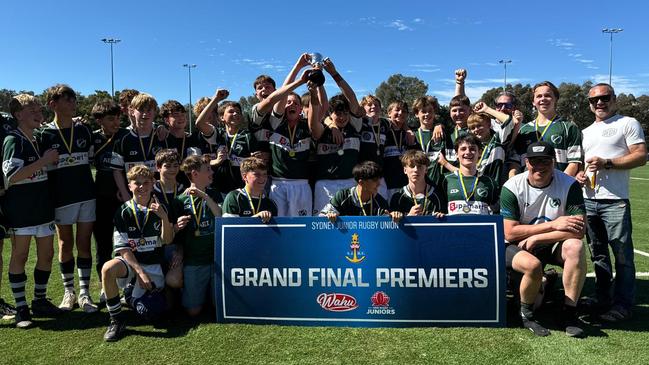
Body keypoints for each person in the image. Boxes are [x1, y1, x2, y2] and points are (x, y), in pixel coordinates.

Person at [575, 83, 647, 322]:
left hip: (615, 201)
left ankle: (623, 304)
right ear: (589, 104)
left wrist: (607, 162)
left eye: (604, 98)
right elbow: (583, 164)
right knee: (598, 254)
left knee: (622, 255)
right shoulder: (585, 131)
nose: (599, 103)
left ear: (614, 99)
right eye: (594, 100)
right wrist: (580, 176)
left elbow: (640, 156)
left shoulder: (627, 123)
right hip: (589, 199)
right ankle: (602, 296)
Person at [501, 141, 587, 338]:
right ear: (526, 162)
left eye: (545, 161)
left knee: (575, 247)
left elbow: (579, 230)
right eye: (534, 161)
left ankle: (569, 313)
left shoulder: (569, 184)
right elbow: (510, 233)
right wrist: (553, 224)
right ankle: (542, 288)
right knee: (533, 293)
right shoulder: (512, 186)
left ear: (554, 162)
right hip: (518, 244)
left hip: (549, 243)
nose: (539, 166)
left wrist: (539, 237)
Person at [37, 84, 98, 312]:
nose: (73, 103)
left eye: (74, 99)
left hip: (86, 195)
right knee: (65, 243)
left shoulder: (83, 130)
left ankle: (84, 293)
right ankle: (68, 292)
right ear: (53, 104)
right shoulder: (44, 134)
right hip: (61, 197)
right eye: (67, 100)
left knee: (84, 243)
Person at [4, 94, 62, 327]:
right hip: (22, 210)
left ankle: (39, 300)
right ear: (18, 115)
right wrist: (44, 161)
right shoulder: (12, 140)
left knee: (47, 255)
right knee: (20, 255)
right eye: (32, 110)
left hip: (43, 208)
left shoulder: (38, 138)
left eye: (39, 109)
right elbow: (12, 178)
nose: (39, 113)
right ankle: (21, 308)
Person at [101, 165, 174, 341]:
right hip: (132, 264)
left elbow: (167, 240)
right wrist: (140, 272)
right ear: (129, 186)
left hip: (154, 265)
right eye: (137, 183)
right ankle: (116, 320)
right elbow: (122, 248)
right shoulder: (123, 211)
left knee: (152, 311)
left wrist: (164, 218)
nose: (142, 187)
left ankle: (130, 297)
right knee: (108, 268)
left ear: (152, 183)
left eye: (146, 183)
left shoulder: (161, 207)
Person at [89, 99, 128, 298]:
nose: (116, 123)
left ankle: (128, 283)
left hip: (125, 198)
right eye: (111, 119)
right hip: (101, 199)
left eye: (118, 118)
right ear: (99, 120)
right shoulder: (91, 138)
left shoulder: (125, 135)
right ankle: (106, 285)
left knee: (127, 242)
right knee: (103, 245)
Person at [176, 155, 222, 316]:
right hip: (194, 260)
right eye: (208, 169)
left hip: (217, 260)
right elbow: (174, 234)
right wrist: (177, 226)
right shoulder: (181, 200)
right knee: (193, 312)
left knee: (220, 307)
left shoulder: (214, 194)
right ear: (195, 174)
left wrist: (204, 196)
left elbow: (220, 216)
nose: (212, 172)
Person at [510, 81, 582, 176]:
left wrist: (560, 185)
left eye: (547, 95)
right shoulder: (524, 129)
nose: (543, 99)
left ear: (555, 99)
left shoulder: (569, 127)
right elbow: (515, 163)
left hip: (558, 186)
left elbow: (574, 162)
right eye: (539, 96)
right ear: (533, 102)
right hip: (528, 187)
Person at [111, 93, 167, 202]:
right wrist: (124, 193)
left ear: (155, 112)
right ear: (132, 111)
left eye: (149, 110)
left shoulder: (163, 136)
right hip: (134, 195)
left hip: (160, 195)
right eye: (141, 110)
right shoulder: (122, 140)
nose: (145, 114)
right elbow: (116, 171)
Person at [320, 161, 402, 223]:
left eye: (379, 179)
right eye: (374, 180)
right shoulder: (342, 196)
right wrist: (329, 215)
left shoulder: (380, 202)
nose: (379, 184)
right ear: (361, 182)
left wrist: (393, 217)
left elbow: (387, 227)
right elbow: (321, 217)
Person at [441, 135, 499, 215]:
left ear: (480, 153)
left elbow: (496, 212)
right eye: (463, 149)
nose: (468, 152)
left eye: (472, 149)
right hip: (453, 227)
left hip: (480, 227)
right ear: (456, 154)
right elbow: (440, 210)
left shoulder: (490, 182)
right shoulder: (445, 179)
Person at [389, 150, 445, 217]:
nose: (416, 170)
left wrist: (441, 218)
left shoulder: (437, 196)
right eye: (412, 166)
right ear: (405, 170)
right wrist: (409, 216)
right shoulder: (397, 197)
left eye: (419, 166)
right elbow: (393, 226)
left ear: (426, 169)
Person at [222, 157, 278, 221]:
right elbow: (229, 227)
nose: (262, 178)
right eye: (257, 174)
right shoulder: (234, 197)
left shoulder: (270, 203)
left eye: (265, 174)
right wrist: (255, 218)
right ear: (245, 176)